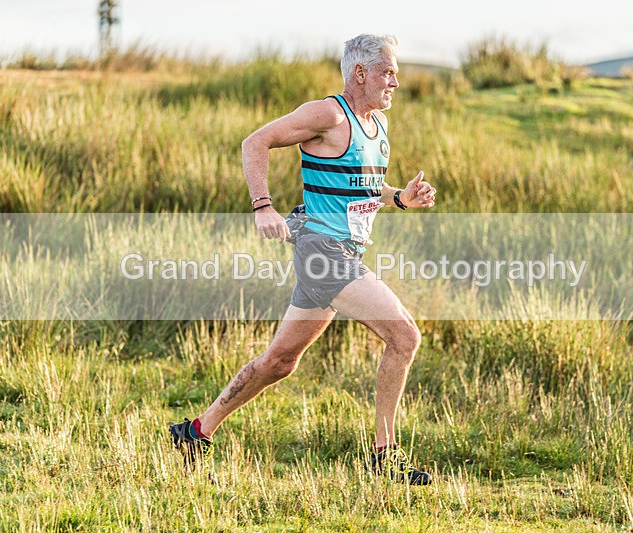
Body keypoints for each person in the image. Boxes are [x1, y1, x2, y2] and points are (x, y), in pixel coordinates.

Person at [170, 33, 437, 485]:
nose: (396, 80)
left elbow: (363, 189)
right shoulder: (329, 114)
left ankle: (195, 431)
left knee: (279, 362)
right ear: (360, 73)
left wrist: (402, 198)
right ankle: (385, 457)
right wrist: (263, 206)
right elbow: (254, 142)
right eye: (388, 71)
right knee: (405, 337)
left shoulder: (377, 126)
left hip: (341, 253)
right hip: (324, 253)